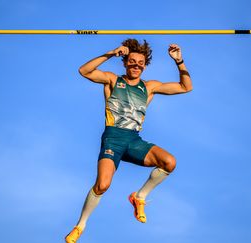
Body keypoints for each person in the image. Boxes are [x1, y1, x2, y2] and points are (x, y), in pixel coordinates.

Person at [65, 38, 192, 243]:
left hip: (134, 141)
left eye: (140, 63)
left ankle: (139, 197)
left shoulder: (149, 87)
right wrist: (111, 53)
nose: (136, 65)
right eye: (132, 61)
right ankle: (80, 226)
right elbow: (84, 71)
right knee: (102, 185)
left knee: (169, 162)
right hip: (113, 139)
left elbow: (186, 87)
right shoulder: (112, 80)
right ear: (125, 62)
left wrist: (179, 61)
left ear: (144, 66)